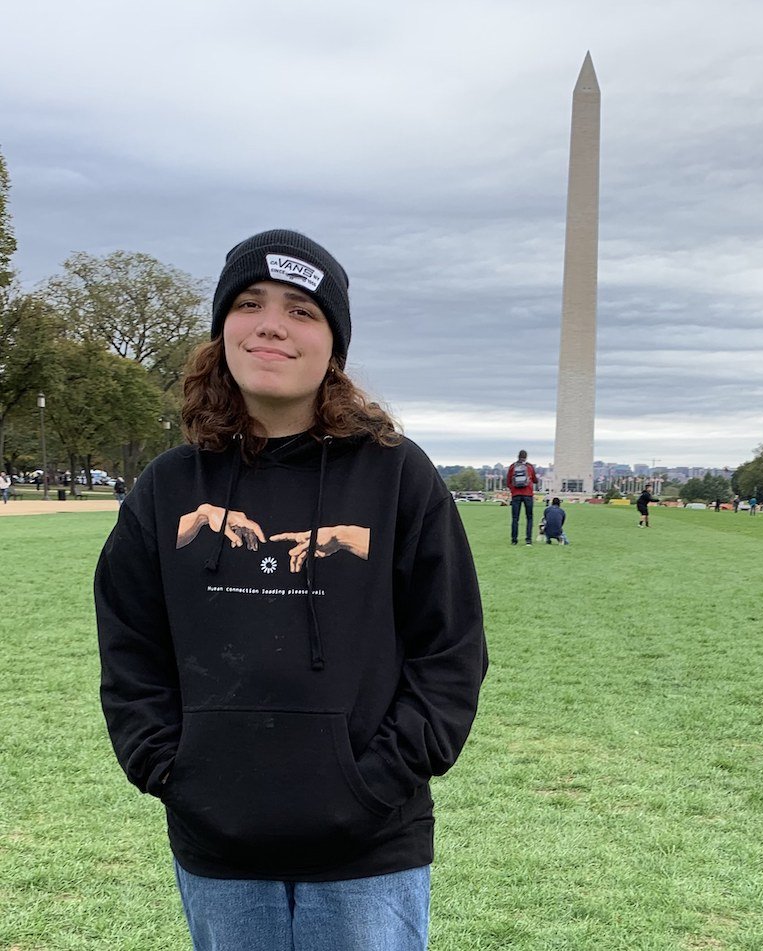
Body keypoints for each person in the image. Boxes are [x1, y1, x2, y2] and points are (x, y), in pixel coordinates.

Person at [95, 229, 487, 951]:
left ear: (333, 345)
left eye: (302, 309)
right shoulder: (167, 488)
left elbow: (451, 652)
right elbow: (130, 653)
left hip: (369, 848)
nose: (272, 323)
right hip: (218, 844)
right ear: (223, 330)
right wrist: (174, 771)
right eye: (250, 303)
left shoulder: (399, 477)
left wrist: (372, 784)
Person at [506, 449, 538, 545]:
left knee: (515, 518)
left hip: (516, 494)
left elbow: (508, 482)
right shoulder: (529, 467)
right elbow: (535, 480)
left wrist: (513, 489)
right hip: (528, 494)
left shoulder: (512, 467)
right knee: (529, 517)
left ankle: (514, 540)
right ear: (526, 457)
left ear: (518, 456)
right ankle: (528, 539)